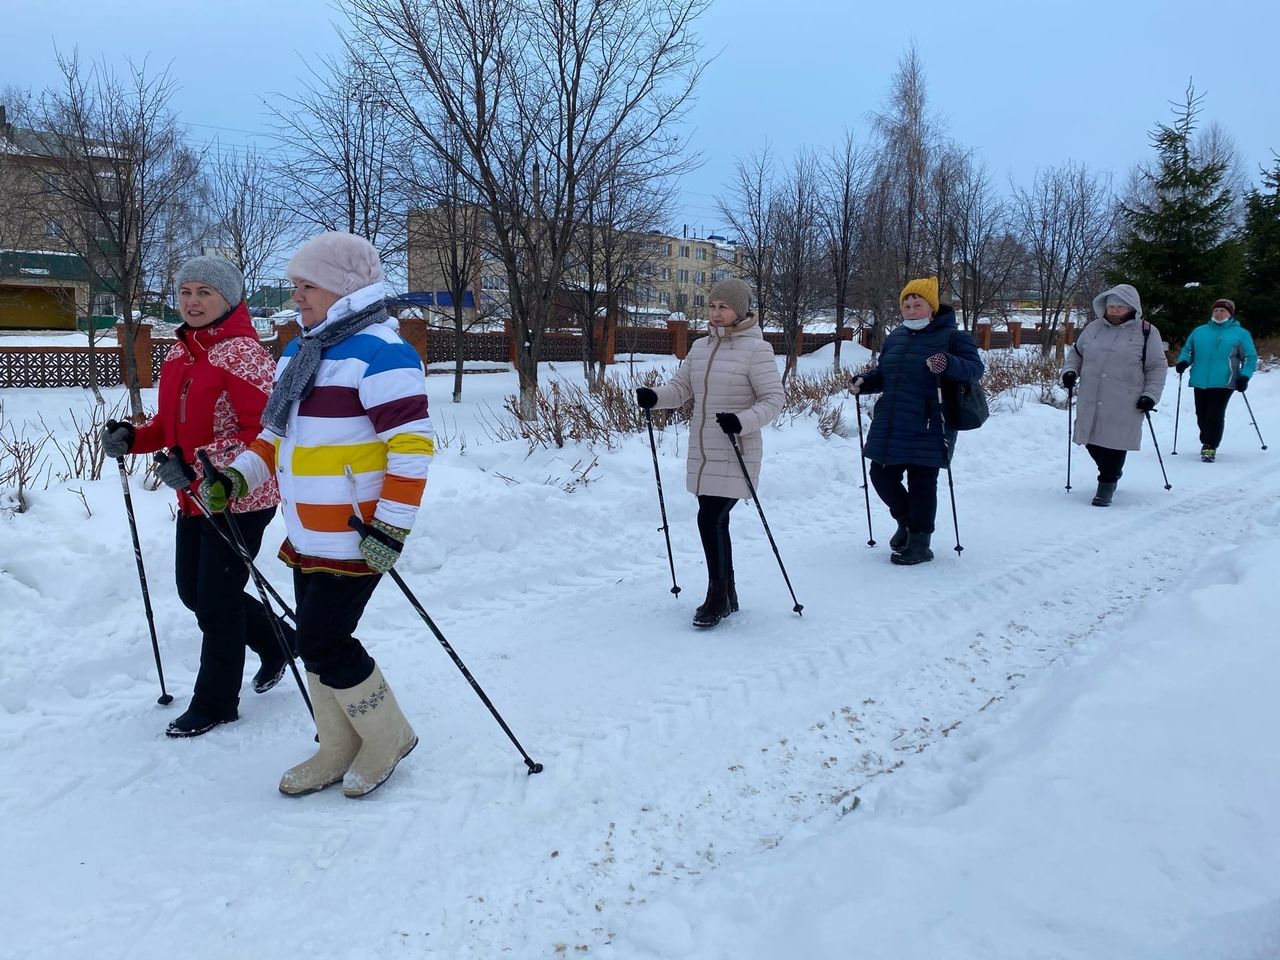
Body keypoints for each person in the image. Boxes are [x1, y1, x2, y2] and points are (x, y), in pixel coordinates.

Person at [206, 231, 432, 798]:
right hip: (307, 531)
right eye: (295, 285)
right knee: (314, 641)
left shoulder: (384, 354)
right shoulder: (301, 352)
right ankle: (336, 744)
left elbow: (411, 449)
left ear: (344, 287)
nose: (297, 295)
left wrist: (391, 527)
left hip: (359, 536)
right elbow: (274, 438)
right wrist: (239, 478)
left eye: (307, 285)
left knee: (327, 640)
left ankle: (388, 734)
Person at [101, 256, 289, 738]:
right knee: (195, 594)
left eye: (205, 292)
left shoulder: (244, 354)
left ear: (229, 298)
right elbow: (168, 426)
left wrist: (203, 464)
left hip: (241, 495)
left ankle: (216, 702)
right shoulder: (179, 356)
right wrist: (133, 436)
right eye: (186, 292)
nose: (193, 302)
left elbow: (264, 433)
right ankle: (281, 641)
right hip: (194, 496)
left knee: (216, 602)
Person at [635, 277, 784, 628]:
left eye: (724, 307)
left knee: (711, 518)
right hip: (703, 449)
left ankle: (717, 595)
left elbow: (774, 399)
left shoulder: (757, 349)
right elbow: (681, 388)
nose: (716, 313)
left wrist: (742, 421)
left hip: (736, 447)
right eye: (713, 306)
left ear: (741, 311)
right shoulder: (701, 347)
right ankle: (727, 593)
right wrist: (655, 398)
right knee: (714, 519)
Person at [850, 277, 983, 565]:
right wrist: (865, 381)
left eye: (917, 304)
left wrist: (948, 363)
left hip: (930, 421)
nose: (911, 309)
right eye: (906, 304)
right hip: (891, 420)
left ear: (931, 308)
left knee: (922, 482)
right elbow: (886, 374)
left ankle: (920, 544)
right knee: (880, 474)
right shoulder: (895, 337)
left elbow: (974, 370)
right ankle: (907, 522)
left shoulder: (954, 338)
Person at [1061, 283, 1166, 506]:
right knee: (1092, 440)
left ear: (1132, 307)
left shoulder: (1147, 332)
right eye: (1111, 306)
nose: (1115, 310)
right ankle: (1110, 473)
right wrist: (1070, 371)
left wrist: (1151, 394)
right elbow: (1076, 354)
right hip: (1091, 394)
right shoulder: (1093, 328)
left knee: (1115, 442)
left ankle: (1106, 483)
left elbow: (1156, 366)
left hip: (1125, 397)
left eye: (1120, 306)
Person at [1175, 298, 1258, 462]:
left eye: (1223, 311)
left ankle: (1210, 445)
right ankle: (1207, 438)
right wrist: (1183, 361)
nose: (1219, 313)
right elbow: (1188, 350)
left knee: (1215, 414)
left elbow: (1250, 357)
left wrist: (1245, 376)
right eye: (1216, 311)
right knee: (1202, 414)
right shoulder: (1199, 331)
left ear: (1230, 314)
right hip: (1200, 379)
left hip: (1224, 381)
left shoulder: (1241, 334)